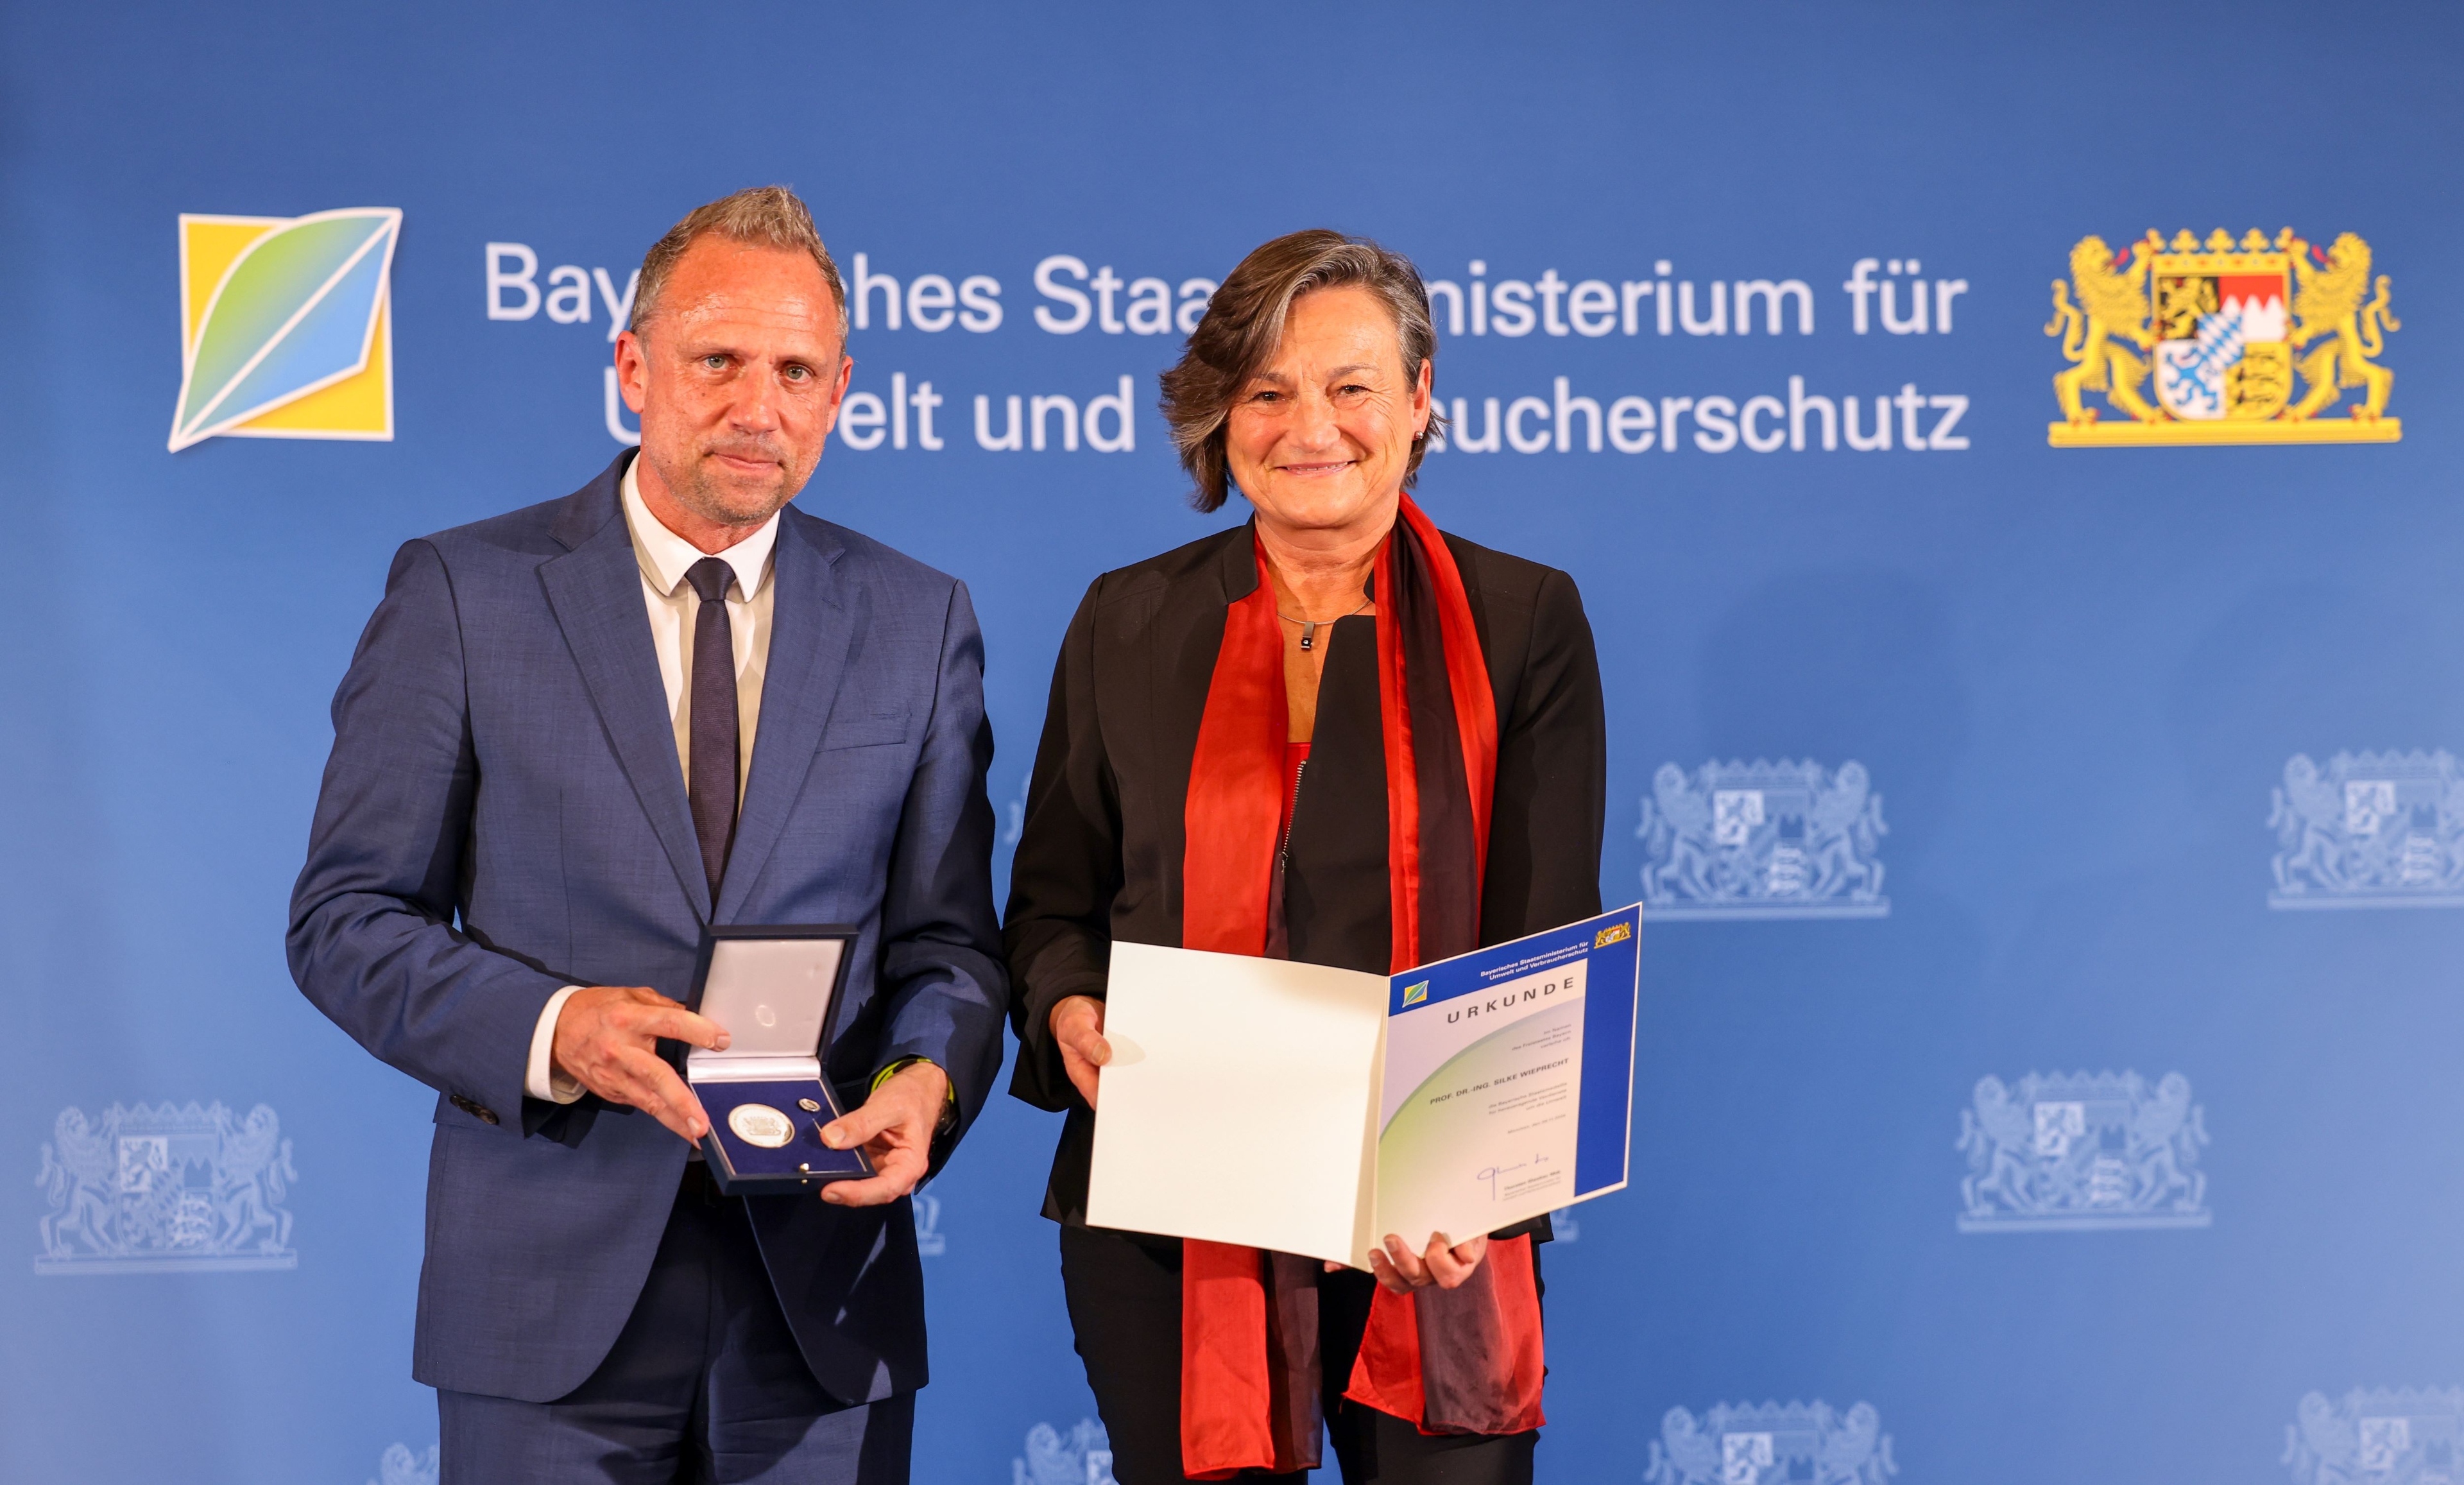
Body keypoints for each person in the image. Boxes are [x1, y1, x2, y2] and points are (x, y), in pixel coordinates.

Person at [288, 186, 1005, 1485]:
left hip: (821, 1304)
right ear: (633, 370)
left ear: (841, 389)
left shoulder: (919, 618)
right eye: (718, 360)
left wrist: (929, 1081)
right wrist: (553, 1025)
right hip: (545, 1295)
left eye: (795, 370)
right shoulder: (465, 593)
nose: (757, 404)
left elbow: (952, 943)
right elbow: (346, 919)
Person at [1004, 230, 1607, 1484]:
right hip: (1178, 1214)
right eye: (1266, 389)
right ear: (1219, 411)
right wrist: (1067, 1003)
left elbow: (1544, 934)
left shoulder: (1524, 619)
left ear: (1418, 399)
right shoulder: (1127, 615)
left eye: (1349, 386)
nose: (1308, 424)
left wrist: (1471, 1178)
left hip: (1434, 1226)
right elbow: (1056, 894)